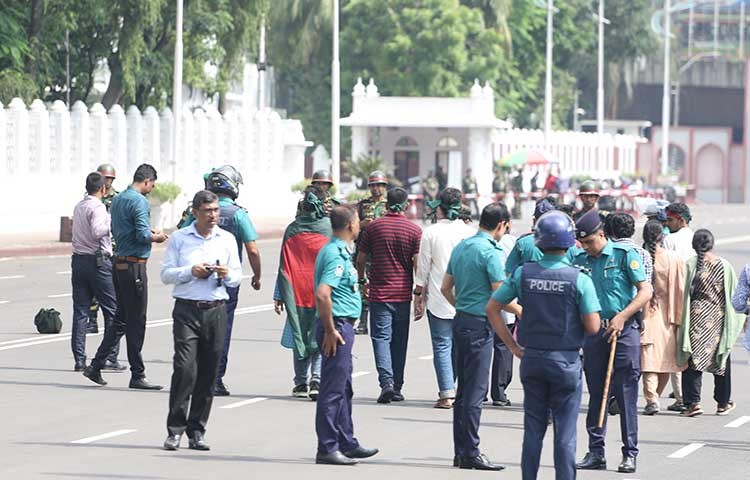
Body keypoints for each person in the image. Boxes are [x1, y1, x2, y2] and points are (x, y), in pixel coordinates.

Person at [487, 210, 602, 480]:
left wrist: (513, 346)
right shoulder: (579, 279)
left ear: (538, 240)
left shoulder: (523, 274)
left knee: (534, 430)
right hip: (566, 362)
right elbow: (594, 326)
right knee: (565, 434)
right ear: (569, 241)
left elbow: (493, 307)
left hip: (532, 360)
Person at [160, 190, 242, 451]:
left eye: (216, 210)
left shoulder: (226, 239)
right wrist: (190, 272)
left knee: (208, 373)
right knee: (185, 369)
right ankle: (175, 430)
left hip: (216, 309)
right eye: (208, 211)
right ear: (195, 212)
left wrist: (226, 274)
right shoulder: (181, 238)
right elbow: (166, 274)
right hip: (187, 310)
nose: (213, 215)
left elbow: (237, 277)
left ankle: (197, 430)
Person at [572, 209, 652, 474]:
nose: (586, 247)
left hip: (623, 332)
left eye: (590, 242)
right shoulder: (581, 260)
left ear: (602, 234)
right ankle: (596, 452)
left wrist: (623, 316)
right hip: (594, 334)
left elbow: (645, 291)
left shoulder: (624, 256)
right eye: (582, 243)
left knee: (626, 394)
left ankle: (630, 453)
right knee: (597, 394)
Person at [83, 164, 168, 390]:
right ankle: (137, 374)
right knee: (136, 321)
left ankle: (96, 365)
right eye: (152, 184)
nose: (152, 188)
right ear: (148, 181)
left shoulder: (118, 199)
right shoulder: (138, 201)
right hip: (134, 266)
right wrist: (157, 237)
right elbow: (141, 234)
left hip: (119, 263)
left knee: (120, 319)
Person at [441, 202, 511, 471]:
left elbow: (445, 286)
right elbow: (500, 296)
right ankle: (471, 451)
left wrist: (461, 304)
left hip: (461, 320)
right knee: (475, 392)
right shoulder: (490, 252)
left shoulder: (463, 246)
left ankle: (461, 452)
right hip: (480, 324)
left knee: (464, 392)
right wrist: (524, 311)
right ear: (502, 224)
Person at [313, 205, 379, 465]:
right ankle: (327, 447)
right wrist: (330, 330)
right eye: (358, 221)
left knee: (344, 388)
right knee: (332, 390)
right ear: (352, 225)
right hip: (337, 326)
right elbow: (322, 293)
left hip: (342, 324)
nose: (360, 225)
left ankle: (346, 442)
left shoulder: (340, 250)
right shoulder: (335, 254)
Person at [356, 187, 421, 403]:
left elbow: (361, 257)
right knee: (400, 340)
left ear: (386, 204)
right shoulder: (414, 230)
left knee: (381, 338)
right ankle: (398, 386)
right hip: (402, 294)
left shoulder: (374, 227)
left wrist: (362, 280)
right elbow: (417, 264)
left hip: (379, 294)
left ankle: (387, 383)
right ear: (405, 205)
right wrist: (419, 291)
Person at [203, 165, 262, 396]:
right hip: (226, 280)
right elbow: (253, 250)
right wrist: (257, 276)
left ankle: (198, 377)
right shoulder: (238, 214)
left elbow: (180, 235)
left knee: (197, 330)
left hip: (198, 279)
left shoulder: (196, 210)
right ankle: (215, 379)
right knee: (221, 330)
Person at [414, 188, 475, 408]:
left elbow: (423, 268)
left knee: (442, 344)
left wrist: (418, 295)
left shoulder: (430, 232)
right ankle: (455, 388)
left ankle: (447, 393)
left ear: (439, 207)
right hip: (466, 298)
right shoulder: (470, 233)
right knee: (459, 346)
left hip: (439, 298)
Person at [677, 229, 744, 417]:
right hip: (719, 318)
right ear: (712, 244)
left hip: (695, 317)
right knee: (721, 358)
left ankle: (693, 403)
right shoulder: (724, 265)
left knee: (693, 359)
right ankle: (723, 403)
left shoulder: (689, 265)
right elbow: (734, 295)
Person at [275, 185, 332, 399]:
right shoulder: (329, 229)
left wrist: (280, 295)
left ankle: (300, 383)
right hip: (322, 292)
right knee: (319, 333)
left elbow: (284, 267)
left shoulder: (292, 229)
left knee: (299, 334)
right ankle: (316, 379)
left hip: (295, 293)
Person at [70, 172, 121, 372]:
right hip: (97, 261)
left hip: (79, 260)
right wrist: (110, 222)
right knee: (112, 311)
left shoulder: (79, 205)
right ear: (102, 189)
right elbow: (98, 231)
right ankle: (109, 356)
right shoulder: (98, 207)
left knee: (81, 312)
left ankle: (79, 359)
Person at [640, 220, 686, 415]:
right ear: (662, 237)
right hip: (668, 315)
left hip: (647, 314)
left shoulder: (640, 258)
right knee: (665, 361)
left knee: (649, 361)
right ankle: (655, 397)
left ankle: (652, 399)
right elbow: (682, 289)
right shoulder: (673, 259)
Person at [662, 202, 695, 411]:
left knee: (675, 348)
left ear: (681, 220)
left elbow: (663, 272)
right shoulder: (696, 238)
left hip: (674, 299)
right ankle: (692, 395)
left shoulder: (670, 240)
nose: (667, 224)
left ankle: (681, 398)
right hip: (694, 299)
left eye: (670, 220)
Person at [86, 163, 120, 335]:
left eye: (109, 179)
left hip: (112, 248)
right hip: (95, 248)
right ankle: (92, 320)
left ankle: (113, 323)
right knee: (93, 287)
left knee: (111, 288)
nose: (107, 182)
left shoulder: (117, 198)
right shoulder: (92, 198)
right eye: (104, 178)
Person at [354, 170, 389, 335]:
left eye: (379, 185)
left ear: (384, 186)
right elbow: (353, 227)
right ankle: (363, 322)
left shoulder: (389, 205)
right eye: (373, 185)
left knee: (382, 287)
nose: (375, 189)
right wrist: (362, 224)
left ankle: (381, 321)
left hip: (384, 252)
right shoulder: (362, 205)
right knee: (363, 286)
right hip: (365, 251)